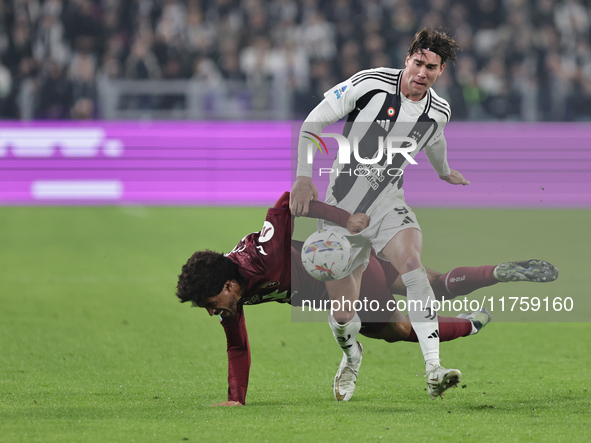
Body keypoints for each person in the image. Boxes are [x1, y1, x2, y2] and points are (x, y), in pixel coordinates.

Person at [176, 192, 558, 405]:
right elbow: (237, 346)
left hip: (346, 277)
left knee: (394, 328)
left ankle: (466, 325)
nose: (213, 312)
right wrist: (235, 399)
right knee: (435, 284)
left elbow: (288, 201)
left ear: (227, 287)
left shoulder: (265, 256)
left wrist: (342, 218)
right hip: (353, 257)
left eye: (211, 304)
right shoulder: (229, 287)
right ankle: (496, 274)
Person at [291, 27, 469, 398]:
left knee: (412, 265)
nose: (422, 73)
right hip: (341, 211)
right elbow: (313, 122)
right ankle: (352, 355)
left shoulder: (439, 110)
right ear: (407, 59)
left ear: (440, 72)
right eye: (418, 63)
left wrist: (443, 172)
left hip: (388, 204)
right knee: (344, 314)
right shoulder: (370, 83)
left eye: (431, 68)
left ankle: (433, 368)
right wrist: (304, 176)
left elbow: (435, 141)